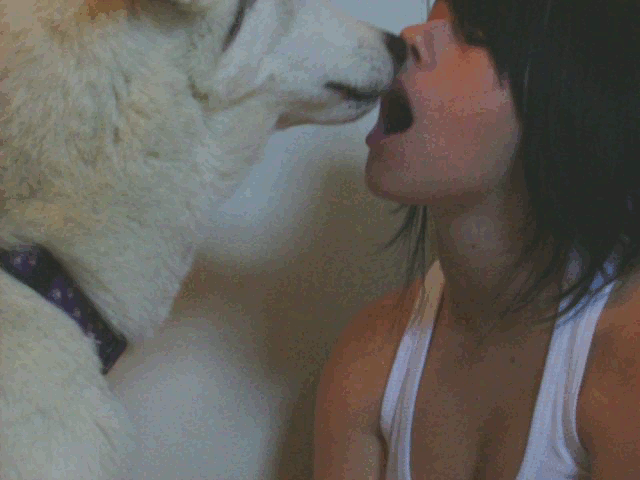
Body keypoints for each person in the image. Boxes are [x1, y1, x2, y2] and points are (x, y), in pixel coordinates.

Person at [313, 0, 640, 478]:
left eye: (472, 33)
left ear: (563, 98)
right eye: (431, 19)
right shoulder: (368, 358)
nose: (411, 36)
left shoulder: (625, 356)